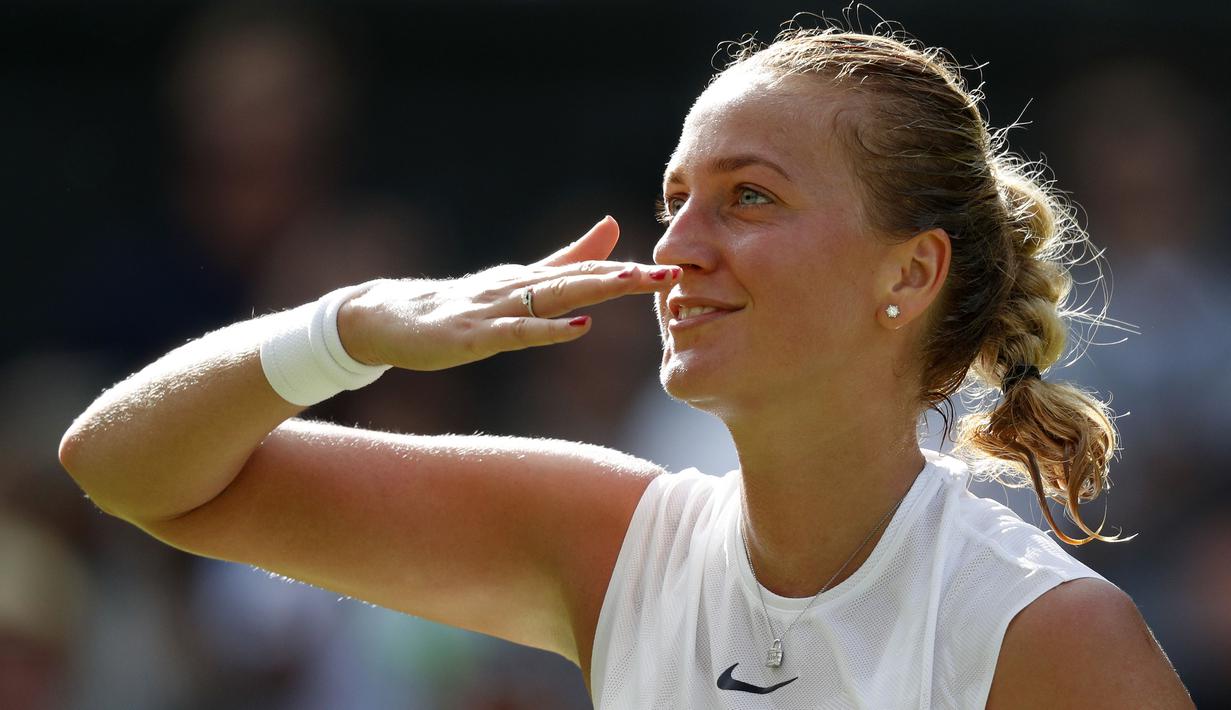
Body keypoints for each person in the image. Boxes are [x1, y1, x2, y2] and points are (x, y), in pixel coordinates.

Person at [59, 24, 1193, 708]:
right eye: (674, 201)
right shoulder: (606, 540)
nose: (679, 248)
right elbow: (124, 466)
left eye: (750, 196)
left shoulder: (1045, 632)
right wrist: (352, 324)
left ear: (908, 273)